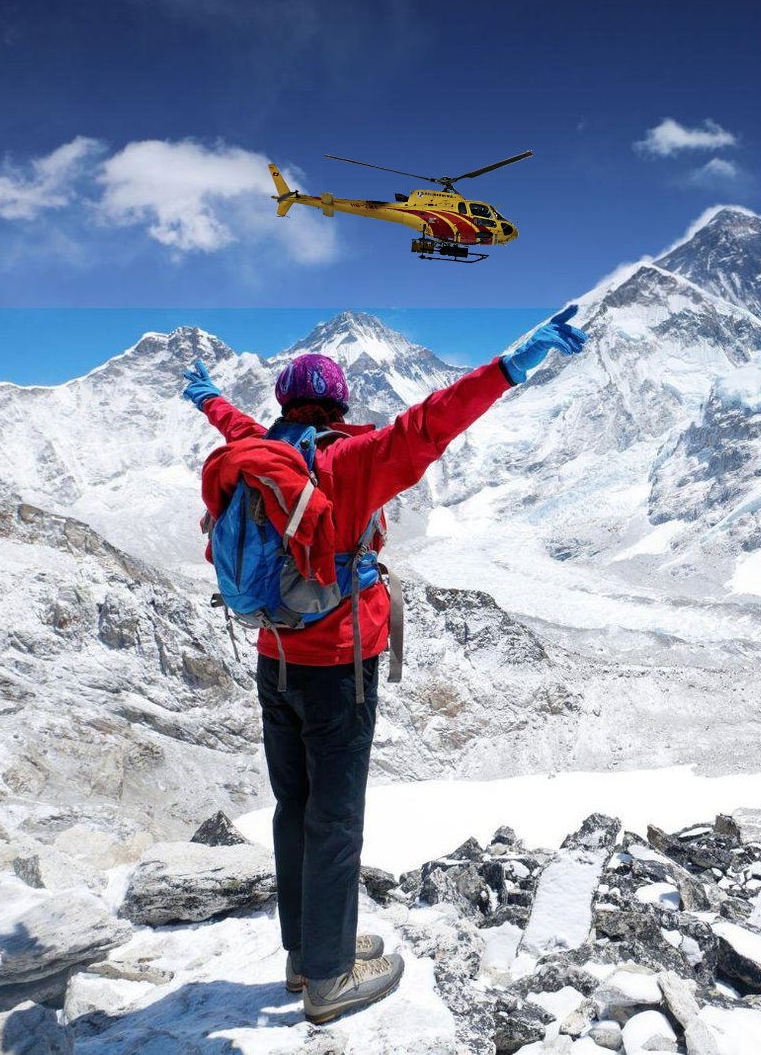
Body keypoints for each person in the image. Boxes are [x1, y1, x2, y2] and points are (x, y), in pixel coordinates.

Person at [180, 307, 587, 1024]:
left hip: (271, 658)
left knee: (293, 808)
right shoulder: (351, 461)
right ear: (339, 404)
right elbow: (432, 422)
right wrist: (511, 366)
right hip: (339, 666)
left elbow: (233, 427)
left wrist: (210, 398)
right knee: (336, 818)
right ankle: (332, 981)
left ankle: (306, 953)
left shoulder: (263, 450)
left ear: (286, 405)